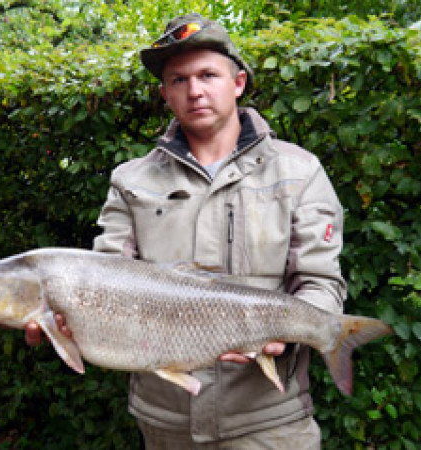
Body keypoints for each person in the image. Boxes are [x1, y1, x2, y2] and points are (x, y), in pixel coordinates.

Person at [25, 13, 347, 448]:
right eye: (179, 80)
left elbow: (320, 281)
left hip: (269, 423)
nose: (195, 91)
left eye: (208, 75)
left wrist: (286, 339)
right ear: (164, 94)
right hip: (164, 422)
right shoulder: (130, 180)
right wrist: (66, 317)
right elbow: (106, 276)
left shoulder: (299, 171)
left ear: (238, 82)